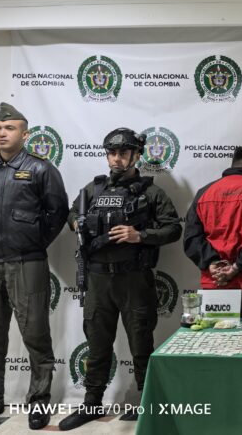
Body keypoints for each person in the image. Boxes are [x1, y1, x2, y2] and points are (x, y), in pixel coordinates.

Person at [58, 128, 181, 431]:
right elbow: (73, 212)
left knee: (141, 344)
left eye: (123, 153)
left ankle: (148, 404)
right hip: (99, 281)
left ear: (136, 155)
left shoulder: (151, 192)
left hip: (134, 280)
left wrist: (140, 235)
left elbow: (174, 228)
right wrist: (77, 223)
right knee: (97, 345)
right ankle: (91, 404)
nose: (116, 159)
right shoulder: (94, 188)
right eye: (112, 153)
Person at [0, 103, 68, 430]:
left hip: (27, 263)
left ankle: (39, 401)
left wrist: (32, 241)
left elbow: (57, 213)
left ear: (25, 134)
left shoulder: (40, 169)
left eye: (9, 128)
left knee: (35, 335)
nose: (2, 133)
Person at [183, 146, 242, 318]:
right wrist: (236, 267)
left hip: (214, 283)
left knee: (214, 342)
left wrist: (212, 264)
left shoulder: (204, 192)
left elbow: (191, 239)